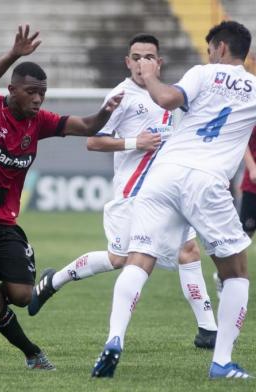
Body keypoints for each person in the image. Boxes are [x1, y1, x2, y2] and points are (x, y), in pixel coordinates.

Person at [0, 24, 123, 371]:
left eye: (42, 93)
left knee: (22, 297)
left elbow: (85, 126)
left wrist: (106, 112)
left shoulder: (39, 123)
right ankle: (32, 353)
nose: (38, 99)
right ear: (12, 90)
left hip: (2, 222)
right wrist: (13, 54)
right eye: (31, 92)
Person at [28, 34, 218, 349]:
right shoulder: (121, 95)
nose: (142, 62)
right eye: (136, 56)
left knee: (189, 251)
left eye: (149, 56)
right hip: (133, 195)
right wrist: (135, 142)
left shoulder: (171, 96)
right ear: (127, 62)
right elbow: (92, 141)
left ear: (159, 63)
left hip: (170, 194)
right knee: (119, 260)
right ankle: (55, 280)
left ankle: (208, 331)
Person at [91, 20, 256, 380]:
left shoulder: (203, 73)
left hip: (164, 174)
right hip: (206, 181)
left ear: (222, 49)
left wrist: (148, 76)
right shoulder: (255, 89)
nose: (209, 54)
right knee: (236, 272)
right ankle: (222, 361)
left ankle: (115, 337)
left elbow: (166, 98)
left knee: (139, 258)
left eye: (211, 48)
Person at [214, 125, 256, 298]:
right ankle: (225, 275)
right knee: (243, 235)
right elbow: (243, 139)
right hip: (253, 187)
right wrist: (252, 167)